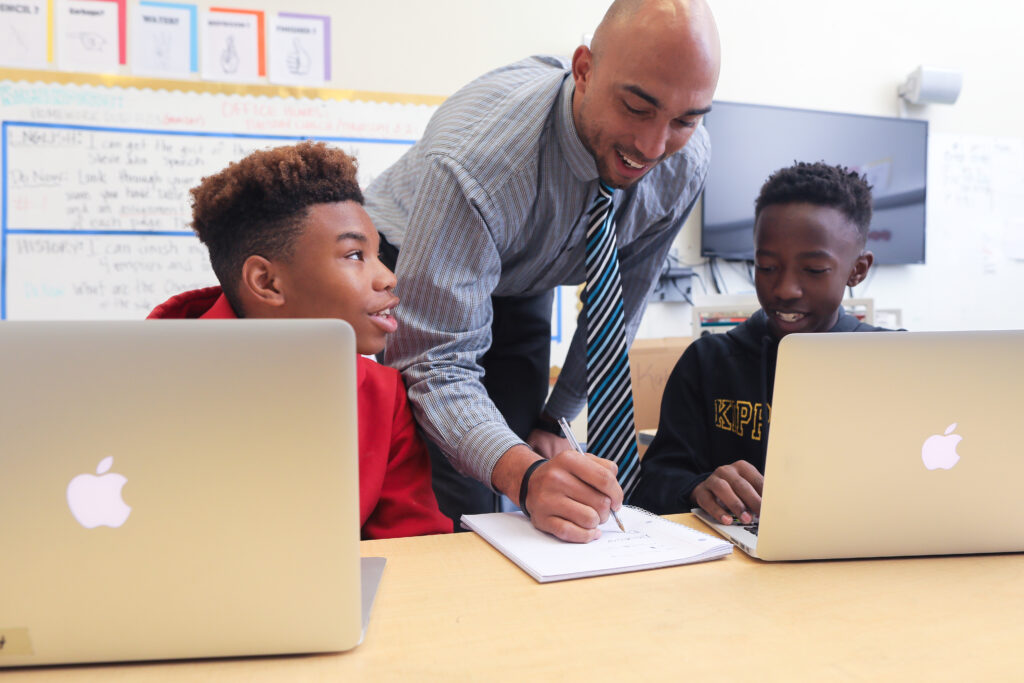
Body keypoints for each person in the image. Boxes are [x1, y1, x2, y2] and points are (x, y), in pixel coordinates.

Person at [364, 0, 721, 543]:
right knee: (458, 500)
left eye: (684, 120)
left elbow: (616, 305)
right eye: (636, 108)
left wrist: (556, 421)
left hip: (526, 273)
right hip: (416, 254)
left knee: (521, 469)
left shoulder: (684, 162)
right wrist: (526, 474)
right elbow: (436, 362)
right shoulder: (481, 160)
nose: (652, 147)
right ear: (583, 71)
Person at [147, 141, 452, 540]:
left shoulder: (384, 395)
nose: (388, 277)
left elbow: (416, 549)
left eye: (378, 254)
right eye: (356, 255)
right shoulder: (147, 382)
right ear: (267, 282)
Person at [631, 161, 896, 522]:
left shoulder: (894, 363)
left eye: (814, 270)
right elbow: (652, 486)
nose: (785, 289)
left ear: (858, 270)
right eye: (767, 267)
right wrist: (698, 486)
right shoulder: (708, 362)